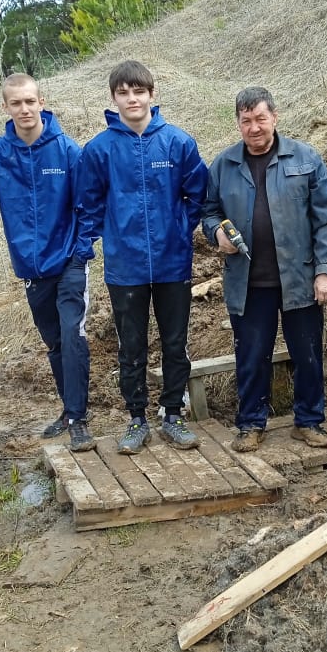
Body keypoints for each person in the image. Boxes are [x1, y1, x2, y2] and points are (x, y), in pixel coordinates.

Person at [0, 73, 95, 454]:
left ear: (41, 102)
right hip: (31, 268)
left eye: (30, 101)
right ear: (6, 108)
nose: (25, 109)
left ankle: (79, 417)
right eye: (17, 103)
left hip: (69, 261)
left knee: (72, 334)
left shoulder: (67, 150)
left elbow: (89, 206)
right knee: (55, 341)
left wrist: (80, 252)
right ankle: (68, 409)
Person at [75, 60, 208, 453]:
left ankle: (173, 415)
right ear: (114, 98)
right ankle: (136, 419)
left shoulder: (178, 142)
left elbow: (198, 194)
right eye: (123, 92)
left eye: (139, 91)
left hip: (172, 262)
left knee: (175, 342)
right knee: (131, 346)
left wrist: (179, 229)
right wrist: (106, 237)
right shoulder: (99, 149)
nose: (132, 99)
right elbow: (88, 202)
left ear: (152, 94)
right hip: (125, 266)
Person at [202, 86, 327, 453]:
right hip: (248, 282)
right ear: (238, 123)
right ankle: (251, 425)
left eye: (260, 118)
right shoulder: (223, 165)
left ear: (275, 117)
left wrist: (325, 270)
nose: (254, 128)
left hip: (300, 279)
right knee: (251, 355)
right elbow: (208, 211)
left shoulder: (306, 158)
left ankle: (309, 422)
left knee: (307, 353)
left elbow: (324, 221)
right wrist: (216, 231)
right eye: (246, 121)